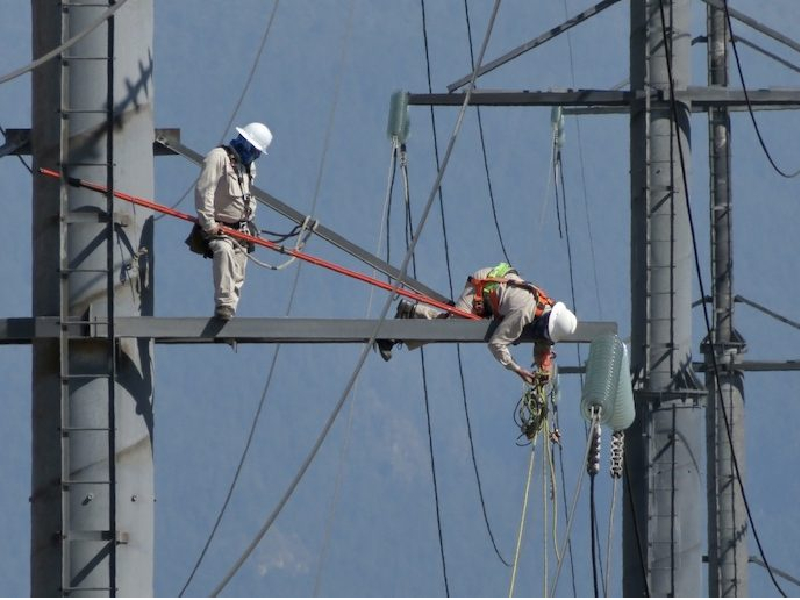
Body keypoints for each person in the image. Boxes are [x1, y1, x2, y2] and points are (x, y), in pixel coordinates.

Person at [389, 263, 578, 385]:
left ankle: (403, 328)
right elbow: (496, 344)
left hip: (496, 288)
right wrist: (516, 368)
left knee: (450, 324)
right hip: (480, 290)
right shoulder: (524, 312)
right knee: (450, 328)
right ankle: (409, 312)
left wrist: (544, 370)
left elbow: (543, 341)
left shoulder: (546, 307)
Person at [194, 122, 272, 321]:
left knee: (238, 273)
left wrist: (250, 221)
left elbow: (248, 196)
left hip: (241, 230)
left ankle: (231, 310)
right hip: (219, 227)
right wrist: (209, 223)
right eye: (254, 150)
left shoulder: (249, 167)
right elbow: (205, 191)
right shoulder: (218, 157)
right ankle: (224, 306)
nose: (255, 155)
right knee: (223, 251)